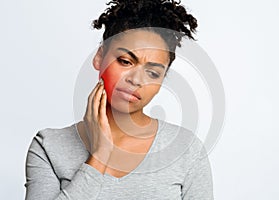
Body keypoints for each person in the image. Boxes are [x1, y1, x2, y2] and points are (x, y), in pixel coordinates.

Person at [24, 0, 214, 199]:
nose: (136, 80)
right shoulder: (49, 146)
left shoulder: (186, 150)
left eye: (152, 73)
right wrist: (99, 157)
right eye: (125, 61)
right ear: (99, 56)